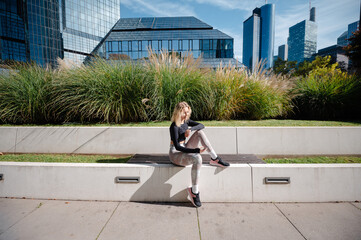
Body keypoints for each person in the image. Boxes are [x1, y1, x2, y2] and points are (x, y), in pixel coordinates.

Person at [169, 101, 230, 207]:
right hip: (175, 154)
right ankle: (194, 191)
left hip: (185, 148)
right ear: (178, 113)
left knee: (199, 132)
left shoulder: (186, 121)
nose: (186, 115)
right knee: (197, 158)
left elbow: (201, 125)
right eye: (184, 113)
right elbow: (178, 147)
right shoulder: (174, 126)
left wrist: (190, 129)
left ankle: (214, 158)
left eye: (187, 112)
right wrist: (196, 150)